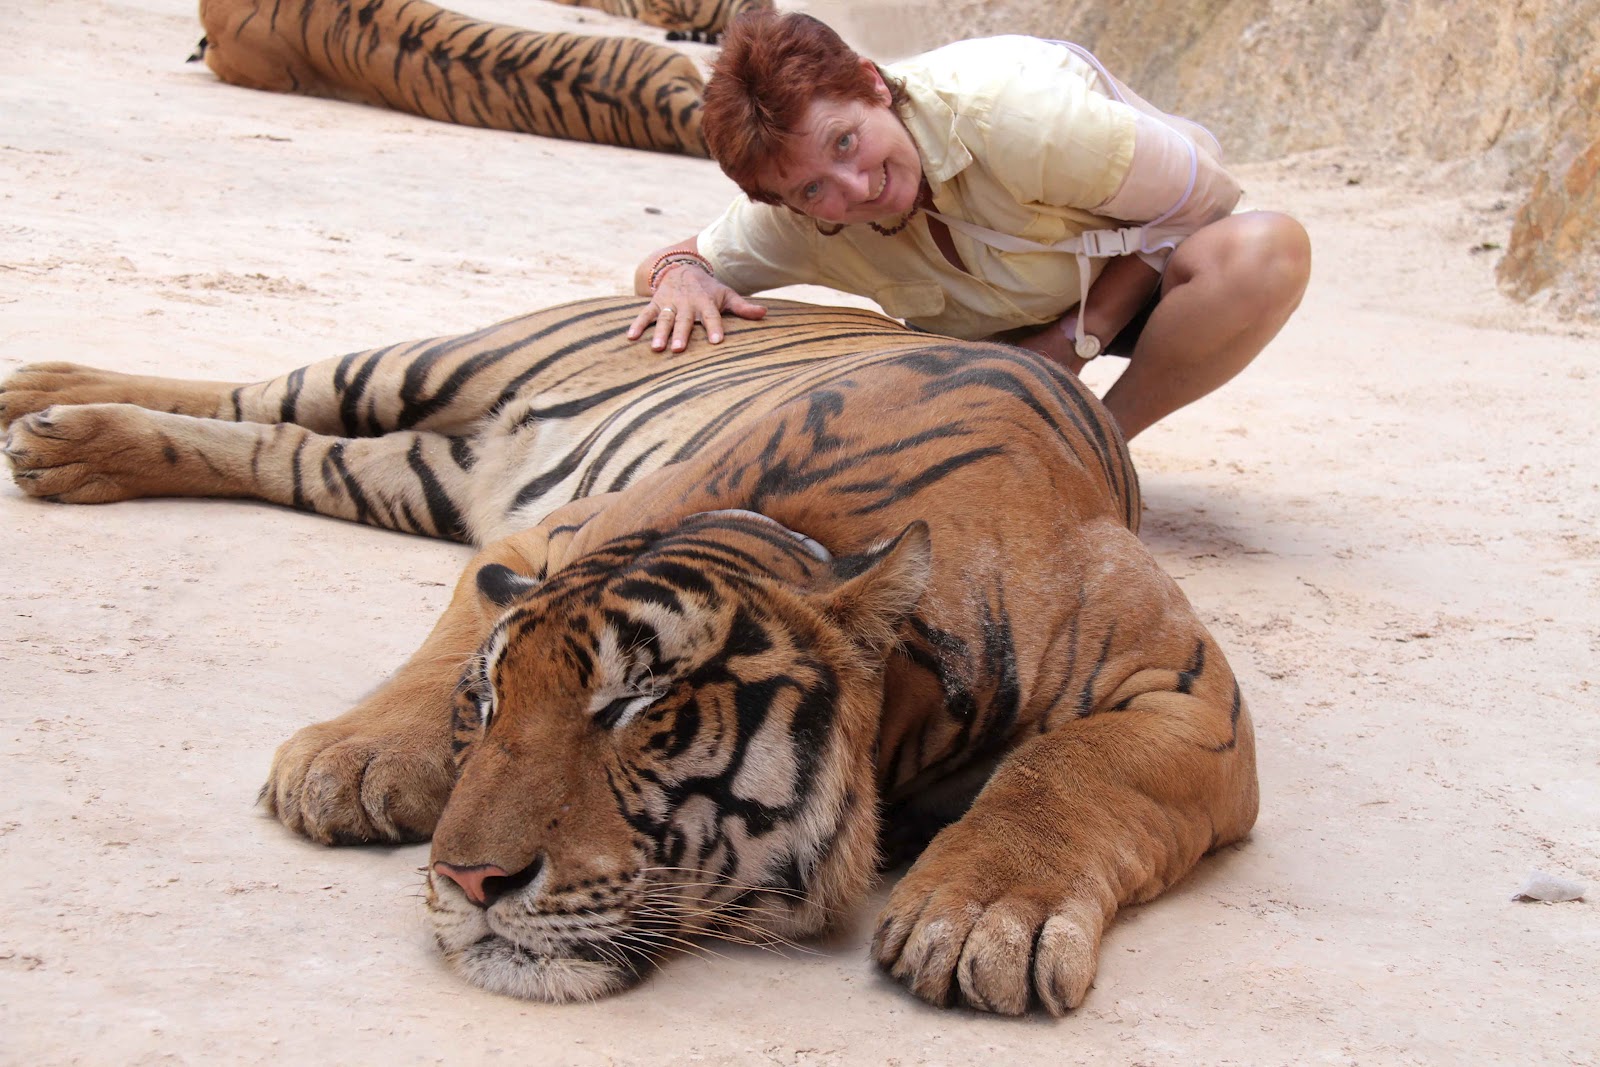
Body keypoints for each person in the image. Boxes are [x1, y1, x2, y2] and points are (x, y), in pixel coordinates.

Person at [628, 12, 1311, 441]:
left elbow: (1207, 196)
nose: (857, 188)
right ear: (785, 203)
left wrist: (1076, 339)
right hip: (1004, 330)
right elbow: (673, 263)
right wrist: (680, 276)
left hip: (1137, 278)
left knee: (1264, 253)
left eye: (845, 142)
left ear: (871, 84)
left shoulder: (1018, 116)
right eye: (813, 189)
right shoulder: (802, 221)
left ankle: (1101, 443)